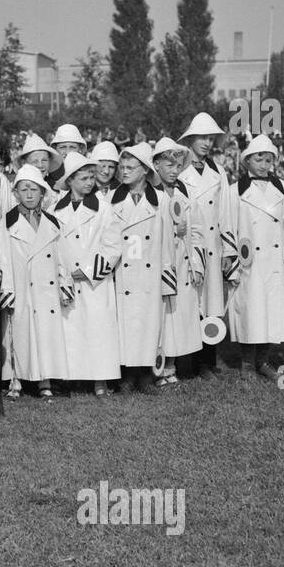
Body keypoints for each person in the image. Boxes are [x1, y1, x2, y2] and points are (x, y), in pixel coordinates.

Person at [227, 134, 284, 380]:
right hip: (249, 264)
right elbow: (228, 229)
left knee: (272, 312)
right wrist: (232, 266)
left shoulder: (283, 189)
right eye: (258, 158)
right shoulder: (234, 191)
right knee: (251, 311)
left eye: (268, 159)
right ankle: (247, 363)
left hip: (275, 263)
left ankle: (263, 361)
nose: (264, 163)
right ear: (246, 160)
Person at [0, 164, 72, 400]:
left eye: (34, 189)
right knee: (18, 332)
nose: (29, 194)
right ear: (16, 193)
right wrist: (7, 288)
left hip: (45, 290)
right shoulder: (6, 223)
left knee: (46, 334)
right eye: (24, 189)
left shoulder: (52, 222)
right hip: (21, 287)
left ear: (42, 192)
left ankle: (45, 378)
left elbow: (62, 258)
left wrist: (64, 283)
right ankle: (16, 379)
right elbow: (4, 258)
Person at [53, 151, 122, 397]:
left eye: (92, 177)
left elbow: (113, 247)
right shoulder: (55, 211)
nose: (89, 182)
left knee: (98, 329)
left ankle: (100, 380)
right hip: (68, 278)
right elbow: (53, 247)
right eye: (83, 178)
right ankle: (71, 378)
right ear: (70, 181)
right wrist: (63, 274)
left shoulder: (103, 209)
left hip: (94, 282)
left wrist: (90, 271)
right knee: (71, 329)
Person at [110, 143, 174, 393]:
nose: (124, 172)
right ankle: (126, 375)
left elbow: (167, 241)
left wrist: (167, 278)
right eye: (122, 167)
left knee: (149, 323)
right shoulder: (112, 200)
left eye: (130, 167)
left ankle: (147, 375)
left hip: (150, 275)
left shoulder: (160, 200)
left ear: (145, 170)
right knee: (126, 325)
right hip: (124, 274)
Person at [179, 112, 237, 379]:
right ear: (190, 139)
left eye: (210, 138)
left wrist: (229, 248)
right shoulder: (180, 169)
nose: (206, 142)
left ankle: (208, 361)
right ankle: (187, 361)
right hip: (189, 244)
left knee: (212, 302)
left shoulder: (218, 171)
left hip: (213, 245)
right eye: (201, 137)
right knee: (190, 302)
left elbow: (225, 212)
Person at [152, 137, 204, 384]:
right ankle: (158, 367)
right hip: (161, 262)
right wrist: (174, 231)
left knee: (180, 314)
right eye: (168, 165)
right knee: (162, 315)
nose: (173, 171)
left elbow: (198, 230)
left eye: (177, 166)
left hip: (184, 263)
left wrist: (197, 264)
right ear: (156, 166)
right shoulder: (151, 194)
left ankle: (172, 365)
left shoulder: (185, 192)